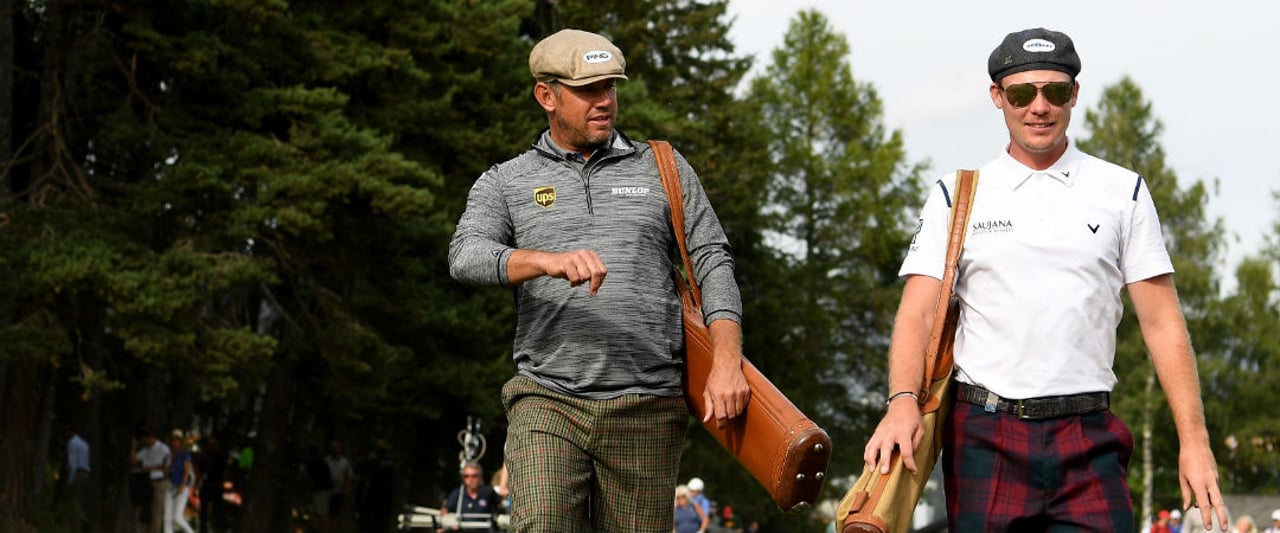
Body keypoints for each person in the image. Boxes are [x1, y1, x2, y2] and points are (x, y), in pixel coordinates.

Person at [861, 27, 1228, 532]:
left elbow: (1163, 322)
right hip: (984, 435)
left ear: (1074, 94)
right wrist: (902, 402)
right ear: (998, 97)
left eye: (1055, 91)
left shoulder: (1123, 191)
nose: (1039, 106)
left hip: (1089, 434)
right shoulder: (957, 194)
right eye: (1022, 93)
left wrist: (1195, 441)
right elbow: (917, 313)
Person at [447, 28, 750, 533]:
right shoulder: (506, 180)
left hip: (648, 406)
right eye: (588, 90)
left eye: (610, 87)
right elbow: (465, 255)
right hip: (548, 398)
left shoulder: (665, 168)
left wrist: (727, 360)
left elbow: (713, 261)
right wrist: (545, 260)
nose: (604, 101)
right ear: (547, 95)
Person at [439, 461, 501, 531]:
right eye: (466, 476)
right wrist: (450, 522)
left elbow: (499, 509)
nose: (470, 479)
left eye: (474, 476)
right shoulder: (458, 493)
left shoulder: (488, 492)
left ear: (480, 477)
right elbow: (445, 511)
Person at [131, 427, 172, 533]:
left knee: (156, 512)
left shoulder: (163, 449)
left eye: (145, 439)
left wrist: (151, 468)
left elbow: (166, 467)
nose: (143, 442)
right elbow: (134, 459)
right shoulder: (145, 450)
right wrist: (134, 445)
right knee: (144, 510)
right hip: (146, 482)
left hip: (159, 481)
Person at [194, 435, 229, 533]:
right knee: (205, 511)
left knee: (215, 511)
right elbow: (199, 472)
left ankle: (214, 528)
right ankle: (207, 529)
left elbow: (225, 471)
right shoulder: (205, 456)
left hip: (215, 485)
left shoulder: (219, 456)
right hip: (209, 485)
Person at [165, 430, 196, 533]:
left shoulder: (184, 454)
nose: (175, 442)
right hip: (170, 485)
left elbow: (187, 470)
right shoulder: (170, 454)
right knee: (167, 518)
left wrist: (183, 484)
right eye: (173, 440)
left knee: (177, 518)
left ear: (180, 441)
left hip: (181, 487)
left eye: (177, 440)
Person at [63, 425, 91, 533]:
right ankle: (81, 520)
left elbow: (72, 463)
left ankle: (82, 522)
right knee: (79, 499)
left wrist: (70, 479)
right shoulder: (85, 444)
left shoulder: (72, 443)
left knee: (73, 500)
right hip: (86, 473)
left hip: (78, 473)